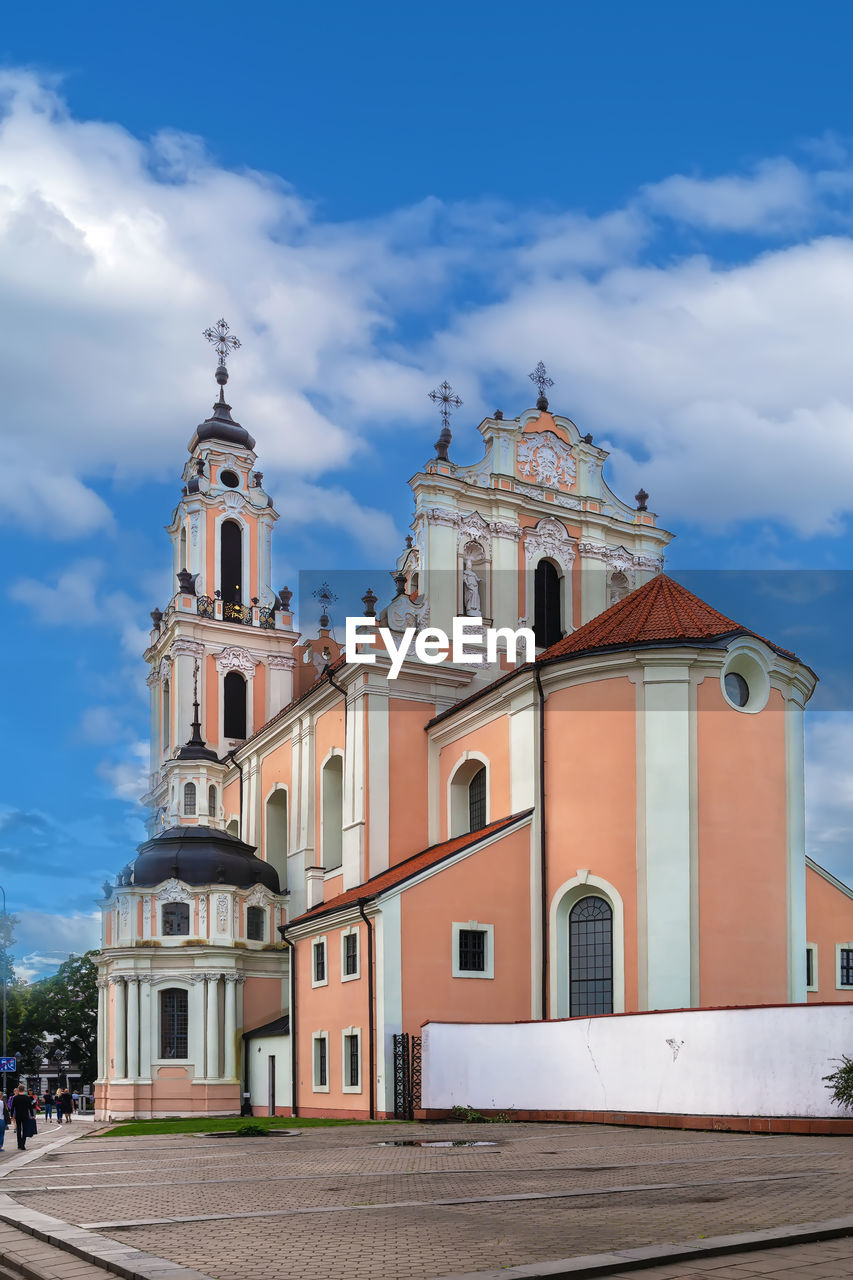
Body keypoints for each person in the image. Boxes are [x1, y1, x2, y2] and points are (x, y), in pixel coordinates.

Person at [9, 1085, 34, 1150]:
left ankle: (19, 1144)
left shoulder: (15, 1098)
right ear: (24, 1090)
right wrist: (32, 1115)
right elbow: (30, 1107)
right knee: (25, 1130)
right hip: (25, 1115)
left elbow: (12, 1107)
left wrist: (11, 1115)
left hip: (18, 1115)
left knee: (19, 1130)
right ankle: (23, 1144)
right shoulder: (27, 1098)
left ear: (18, 1090)